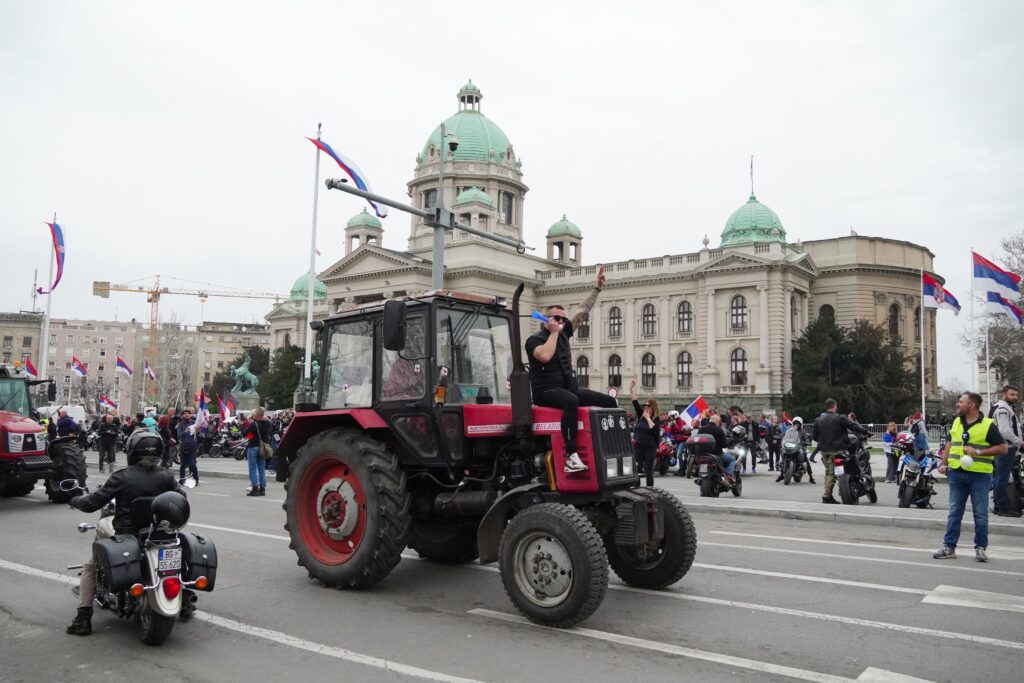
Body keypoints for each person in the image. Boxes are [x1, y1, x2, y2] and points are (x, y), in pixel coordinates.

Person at [66, 430, 185, 636]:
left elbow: (94, 502)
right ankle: (187, 600)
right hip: (160, 535)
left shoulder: (122, 477)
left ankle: (83, 618)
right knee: (176, 559)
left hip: (128, 535)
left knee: (91, 567)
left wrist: (75, 499)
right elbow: (181, 500)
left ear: (132, 451)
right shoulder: (166, 476)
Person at [525, 267, 616, 473]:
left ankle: (613, 448)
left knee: (609, 402)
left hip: (567, 388)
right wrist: (554, 333)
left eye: (563, 319)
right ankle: (570, 455)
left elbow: (582, 311)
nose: (561, 322)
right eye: (557, 318)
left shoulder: (564, 333)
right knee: (571, 401)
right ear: (546, 320)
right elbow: (545, 356)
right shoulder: (535, 340)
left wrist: (597, 288)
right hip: (545, 392)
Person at [933, 391, 1007, 562]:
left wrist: (979, 451)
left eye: (961, 401)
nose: (957, 404)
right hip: (957, 473)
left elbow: (1003, 448)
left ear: (972, 405)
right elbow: (950, 444)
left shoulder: (988, 424)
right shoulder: (957, 422)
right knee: (954, 513)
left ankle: (980, 548)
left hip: (980, 476)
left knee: (980, 514)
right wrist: (943, 463)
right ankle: (949, 547)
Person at [813, 398, 869, 504]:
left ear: (827, 407)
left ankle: (830, 494)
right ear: (835, 406)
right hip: (838, 451)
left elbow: (814, 437)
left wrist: (824, 442)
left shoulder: (818, 420)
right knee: (833, 473)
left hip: (824, 451)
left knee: (829, 472)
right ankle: (827, 496)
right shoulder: (840, 418)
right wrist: (866, 431)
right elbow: (853, 425)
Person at [990, 385, 1022, 517]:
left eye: (1016, 395)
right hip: (1006, 448)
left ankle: (999, 506)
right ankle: (1002, 507)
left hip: (1000, 447)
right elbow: (1004, 430)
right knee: (1002, 479)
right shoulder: (1003, 408)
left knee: (998, 478)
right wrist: (1020, 442)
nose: (1015, 397)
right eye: (1012, 394)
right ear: (1004, 394)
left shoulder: (997, 407)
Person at [629, 381, 661, 486]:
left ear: (653, 407)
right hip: (638, 446)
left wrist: (648, 419)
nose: (646, 407)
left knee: (648, 471)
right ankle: (636, 489)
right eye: (645, 405)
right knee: (636, 470)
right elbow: (634, 402)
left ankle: (650, 490)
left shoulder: (655, 418)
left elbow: (655, 430)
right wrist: (631, 389)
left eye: (648, 405)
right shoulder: (641, 415)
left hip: (650, 447)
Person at [776, 416, 816, 484]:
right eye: (795, 423)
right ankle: (782, 474)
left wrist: (807, 441)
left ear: (801, 424)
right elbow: (784, 435)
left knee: (805, 458)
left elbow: (806, 438)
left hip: (799, 447)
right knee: (783, 454)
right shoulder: (790, 430)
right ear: (793, 424)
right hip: (790, 446)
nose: (796, 424)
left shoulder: (803, 431)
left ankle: (811, 477)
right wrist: (778, 436)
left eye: (798, 423)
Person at [243, 407, 271, 496]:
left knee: (252, 468)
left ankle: (255, 488)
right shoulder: (267, 424)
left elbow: (245, 434)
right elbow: (253, 435)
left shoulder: (253, 424)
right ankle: (262, 489)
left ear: (257, 415)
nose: (253, 415)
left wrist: (242, 425)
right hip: (263, 448)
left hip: (253, 447)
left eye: (254, 414)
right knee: (261, 469)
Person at [697, 414, 734, 482]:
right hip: (717, 454)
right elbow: (724, 445)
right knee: (732, 460)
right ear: (717, 421)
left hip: (703, 454)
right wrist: (730, 442)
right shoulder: (719, 430)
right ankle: (729, 475)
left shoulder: (701, 429)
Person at [176, 408, 199, 486]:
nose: (186, 414)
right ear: (182, 415)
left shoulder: (194, 423)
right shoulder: (180, 424)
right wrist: (185, 432)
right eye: (185, 413)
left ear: (190, 415)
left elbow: (199, 431)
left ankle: (196, 479)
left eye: (188, 413)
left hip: (192, 446)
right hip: (183, 446)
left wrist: (197, 430)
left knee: (192, 464)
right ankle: (182, 480)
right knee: (182, 465)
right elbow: (179, 435)